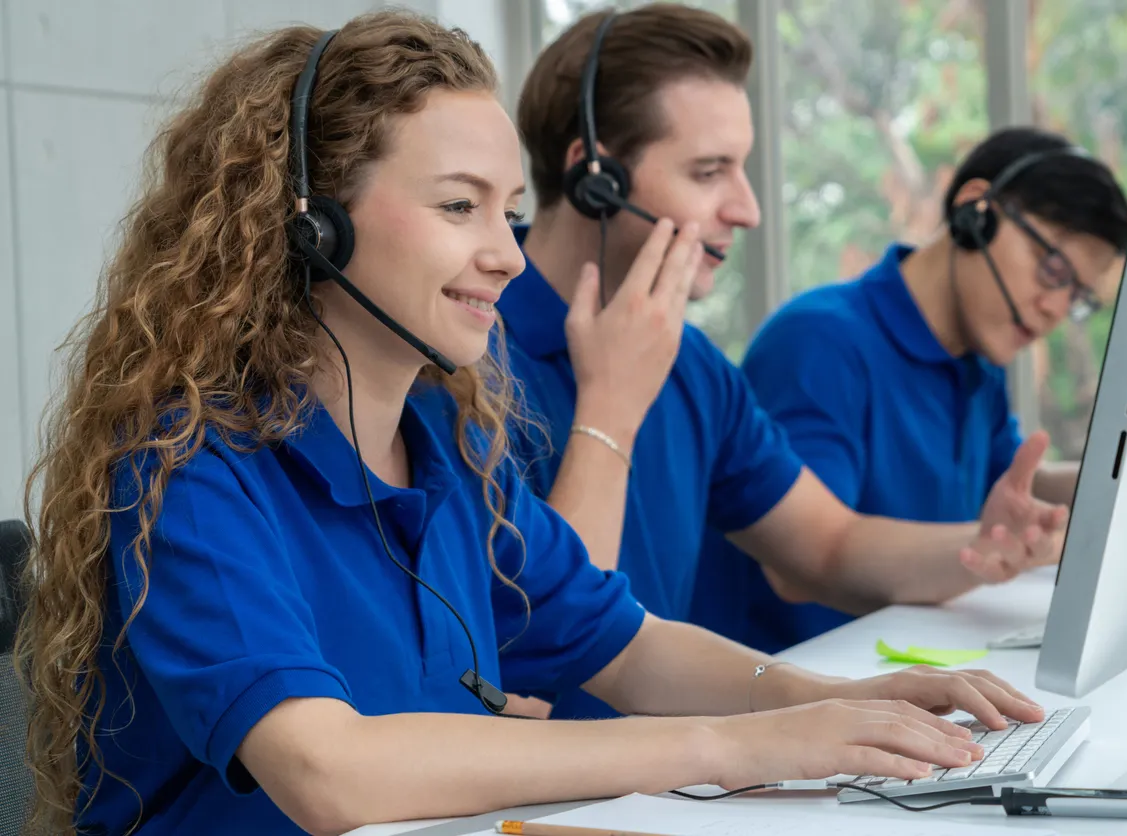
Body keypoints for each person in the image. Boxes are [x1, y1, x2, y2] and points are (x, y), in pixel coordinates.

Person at [13, 11, 1046, 836]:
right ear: (313, 226)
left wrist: (840, 703)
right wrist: (727, 746)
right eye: (457, 206)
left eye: (506, 209)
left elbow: (626, 644)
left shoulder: (450, 450)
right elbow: (327, 769)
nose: (506, 253)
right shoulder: (190, 469)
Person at [502, 3, 1068, 721]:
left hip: (678, 767)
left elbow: (827, 548)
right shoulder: (464, 358)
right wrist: (608, 404)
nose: (747, 210)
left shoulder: (690, 362)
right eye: (709, 172)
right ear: (595, 178)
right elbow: (540, 659)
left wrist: (982, 546)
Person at [706, 127, 1127, 654]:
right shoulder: (819, 343)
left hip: (909, 663)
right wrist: (979, 546)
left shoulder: (977, 359)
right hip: (804, 677)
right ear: (976, 211)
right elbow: (800, 564)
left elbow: (1016, 488)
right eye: (1053, 270)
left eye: (1078, 297)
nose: (1056, 310)